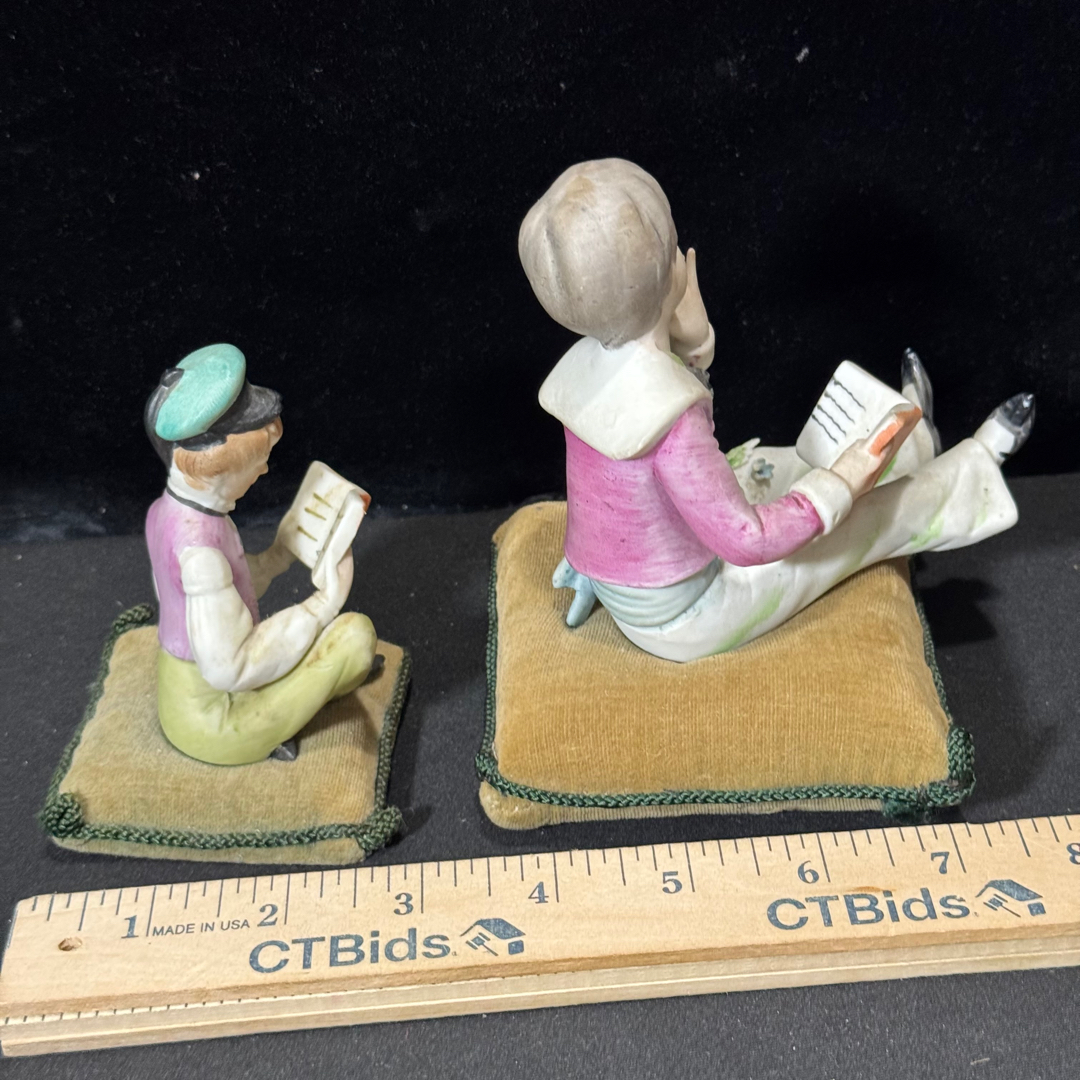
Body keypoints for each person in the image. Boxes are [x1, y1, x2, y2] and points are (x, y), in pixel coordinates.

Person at [519, 159, 1034, 662]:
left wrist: (694, 343)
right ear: (666, 274)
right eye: (674, 245)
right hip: (693, 614)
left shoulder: (587, 373)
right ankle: (975, 469)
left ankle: (911, 441)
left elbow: (605, 494)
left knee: (768, 464)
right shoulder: (673, 423)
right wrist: (839, 488)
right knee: (859, 520)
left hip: (632, 588)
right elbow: (747, 540)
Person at [143, 343, 377, 764]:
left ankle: (298, 695)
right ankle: (267, 732)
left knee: (336, 646)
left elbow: (222, 593)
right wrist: (324, 604)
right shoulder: (200, 555)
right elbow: (231, 666)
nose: (265, 470)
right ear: (214, 467)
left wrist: (277, 555)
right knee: (355, 637)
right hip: (215, 721)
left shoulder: (168, 512)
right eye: (258, 462)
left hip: (187, 694)